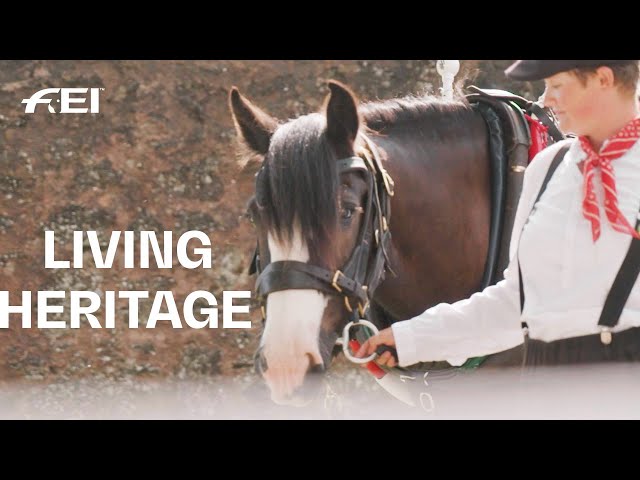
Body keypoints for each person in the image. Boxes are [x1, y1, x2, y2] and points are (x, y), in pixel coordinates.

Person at [356, 60, 640, 368]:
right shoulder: (547, 169)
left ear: (603, 78)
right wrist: (412, 338)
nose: (546, 100)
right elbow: (515, 303)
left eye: (557, 85)